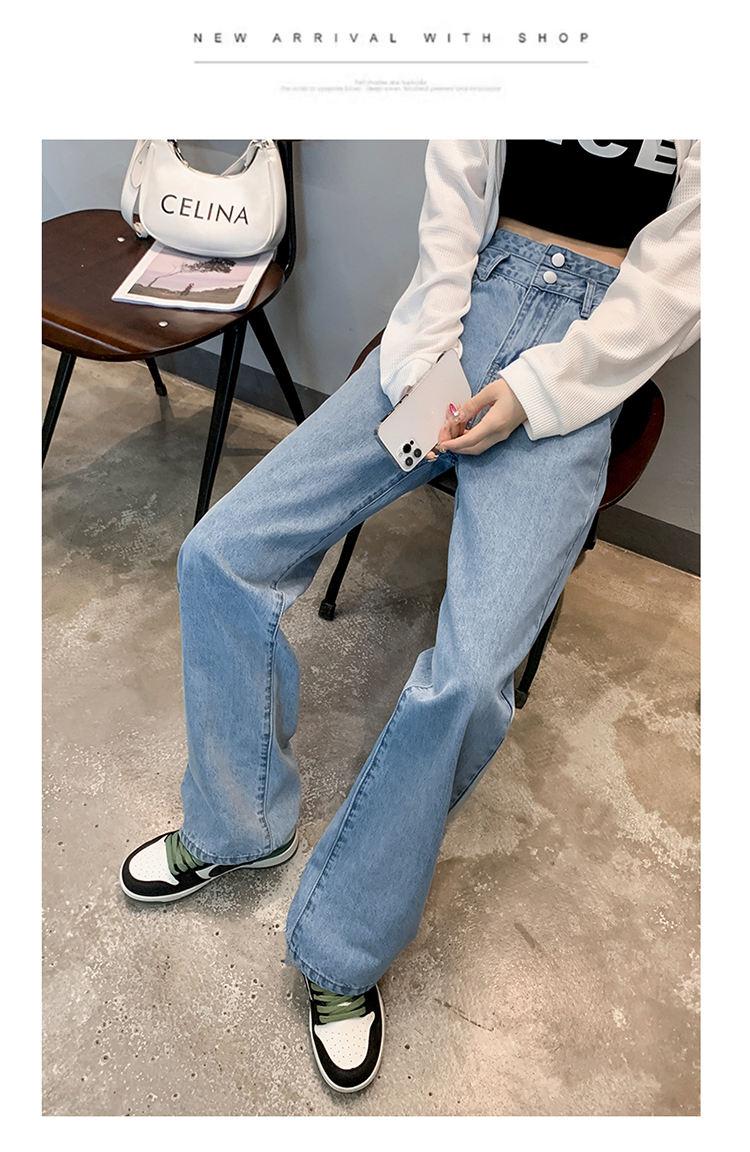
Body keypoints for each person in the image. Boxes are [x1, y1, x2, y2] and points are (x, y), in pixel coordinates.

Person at [119, 140, 700, 1094]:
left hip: (590, 349)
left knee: (470, 679)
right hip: (471, 299)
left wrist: (538, 392)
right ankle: (235, 823)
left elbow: (691, 261)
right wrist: (431, 351)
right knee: (220, 552)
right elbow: (457, 182)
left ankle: (344, 944)